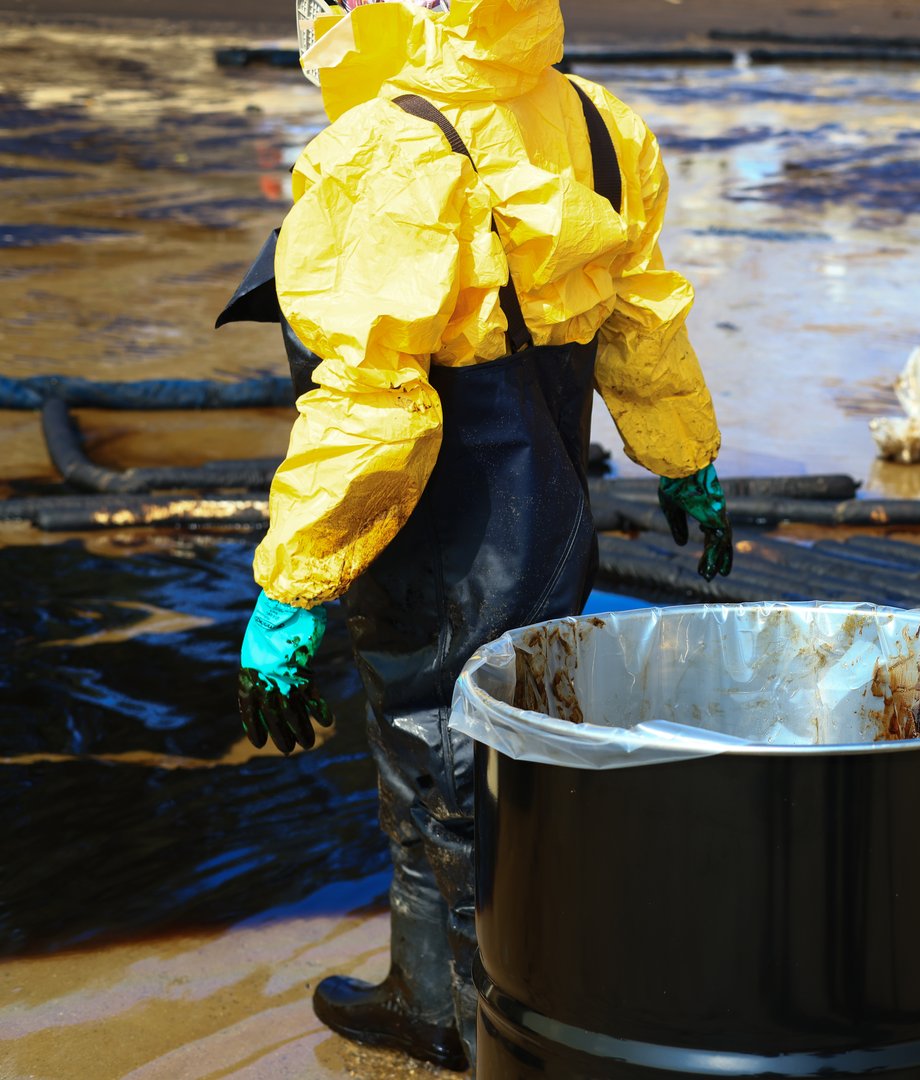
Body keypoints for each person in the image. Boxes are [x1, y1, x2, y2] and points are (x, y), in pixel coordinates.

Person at [216, 0, 733, 1069]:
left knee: (430, 749)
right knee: (519, 735)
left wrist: (295, 586)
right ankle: (548, 987)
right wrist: (685, 461)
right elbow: (639, 311)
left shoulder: (383, 153)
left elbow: (372, 401)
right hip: (547, 515)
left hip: (436, 527)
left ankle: (449, 1015)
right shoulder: (596, 121)